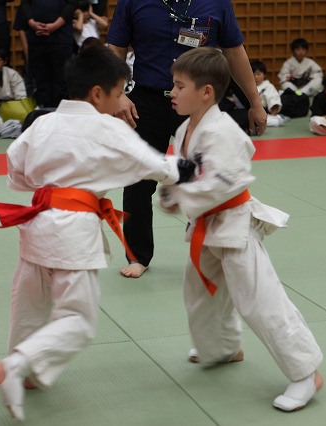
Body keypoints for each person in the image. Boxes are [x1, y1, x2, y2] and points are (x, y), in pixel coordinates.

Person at [0, 45, 191, 422]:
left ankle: (24, 368)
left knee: (29, 304)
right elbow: (154, 165)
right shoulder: (107, 128)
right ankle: (16, 366)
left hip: (37, 223)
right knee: (79, 319)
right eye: (119, 93)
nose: (121, 102)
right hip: (73, 232)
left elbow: (16, 170)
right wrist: (189, 169)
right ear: (97, 93)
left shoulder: (42, 122)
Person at [159, 47, 324, 412]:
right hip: (206, 223)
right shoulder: (185, 128)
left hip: (234, 225)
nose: (173, 92)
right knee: (200, 291)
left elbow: (224, 182)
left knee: (259, 299)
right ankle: (223, 347)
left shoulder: (223, 132)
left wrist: (182, 193)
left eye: (180, 86)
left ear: (206, 92)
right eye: (174, 84)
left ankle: (305, 372)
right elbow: (182, 171)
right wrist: (169, 191)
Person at [106, 0, 267, 278]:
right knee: (137, 181)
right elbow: (116, 48)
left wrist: (255, 102)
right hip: (146, 101)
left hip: (198, 104)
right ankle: (137, 256)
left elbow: (234, 51)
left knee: (213, 176)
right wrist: (117, 93)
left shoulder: (217, 3)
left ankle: (220, 249)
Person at [14, 0, 77, 108]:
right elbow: (25, 4)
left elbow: (72, 4)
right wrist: (32, 23)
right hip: (36, 38)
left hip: (60, 38)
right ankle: (44, 110)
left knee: (61, 81)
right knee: (41, 82)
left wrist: (55, 25)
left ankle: (60, 111)